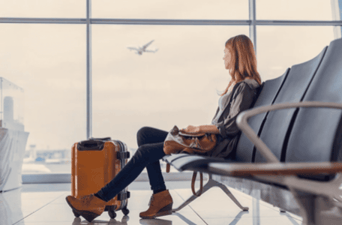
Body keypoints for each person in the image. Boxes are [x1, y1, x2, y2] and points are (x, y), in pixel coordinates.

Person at [65, 34, 262, 222]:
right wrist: (196, 131)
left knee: (144, 152)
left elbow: (232, 127)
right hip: (210, 142)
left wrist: (197, 129)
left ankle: (99, 200)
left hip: (217, 148)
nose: (223, 57)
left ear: (236, 55)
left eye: (226, 52)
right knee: (145, 134)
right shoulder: (237, 85)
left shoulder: (245, 87)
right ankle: (160, 195)